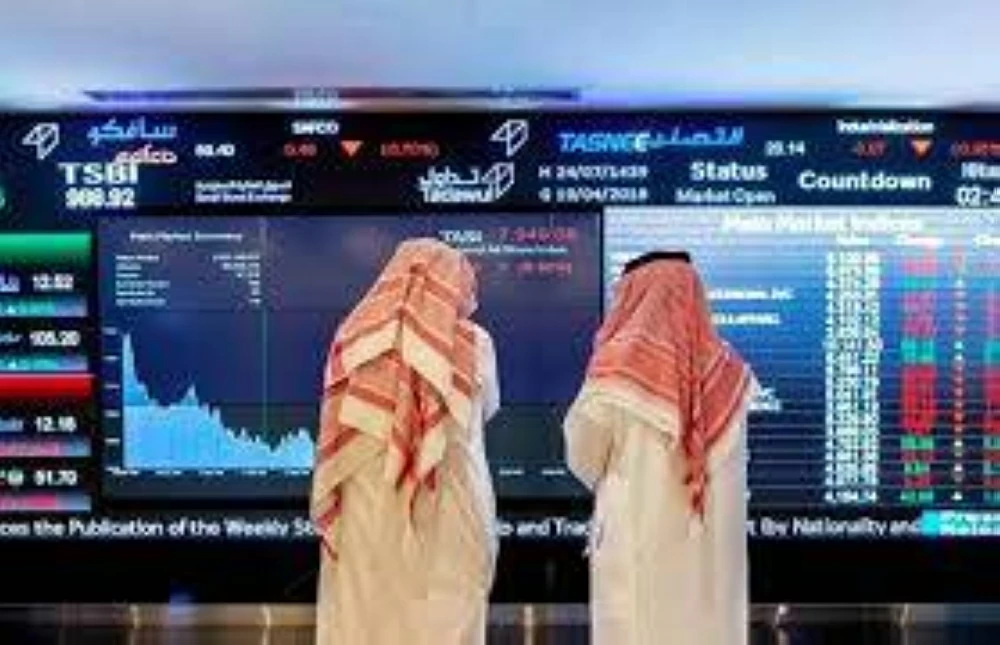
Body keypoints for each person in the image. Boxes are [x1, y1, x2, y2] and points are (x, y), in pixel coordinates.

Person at [311, 238, 500, 645]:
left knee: (367, 615)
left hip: (365, 512)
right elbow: (486, 410)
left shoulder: (353, 338)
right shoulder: (473, 343)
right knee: (443, 618)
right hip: (447, 503)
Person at [563, 251, 758, 645]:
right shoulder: (731, 374)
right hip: (711, 561)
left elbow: (583, 455)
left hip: (639, 550)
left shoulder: (615, 370)